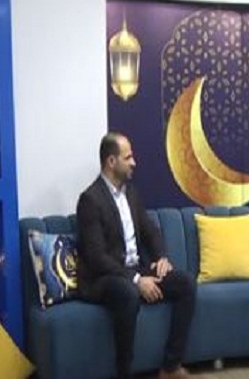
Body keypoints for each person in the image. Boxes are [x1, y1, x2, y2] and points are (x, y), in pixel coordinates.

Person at [76, 132, 195, 379]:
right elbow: (97, 257)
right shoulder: (90, 200)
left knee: (185, 283)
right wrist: (137, 280)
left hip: (134, 270)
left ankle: (170, 367)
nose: (134, 162)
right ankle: (124, 373)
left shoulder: (130, 193)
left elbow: (150, 231)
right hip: (103, 278)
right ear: (111, 161)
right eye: (128, 157)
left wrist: (161, 257)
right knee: (128, 293)